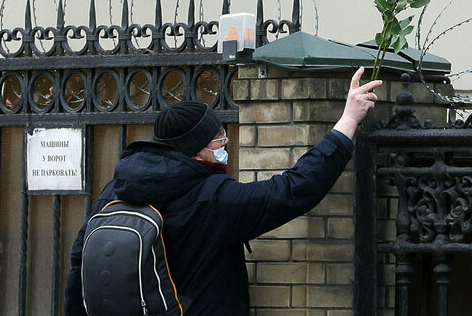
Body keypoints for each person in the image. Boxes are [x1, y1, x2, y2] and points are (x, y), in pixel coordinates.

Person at [64, 67, 382, 316]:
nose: (226, 141)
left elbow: (79, 266)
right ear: (193, 149)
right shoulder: (212, 197)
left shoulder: (115, 190)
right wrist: (347, 123)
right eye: (217, 137)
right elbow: (293, 189)